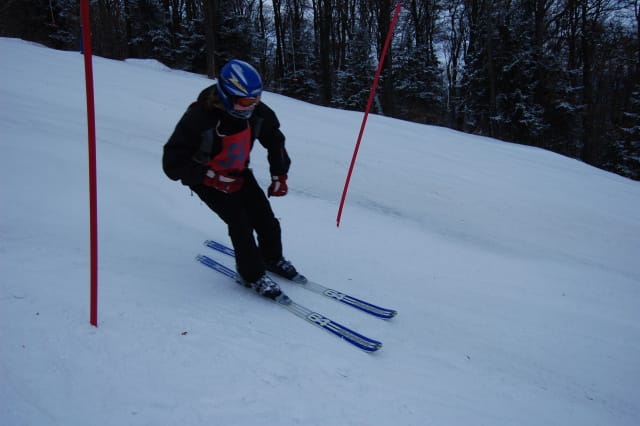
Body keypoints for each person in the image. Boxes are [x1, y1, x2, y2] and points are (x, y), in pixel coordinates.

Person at [162, 59, 304, 299]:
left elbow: (274, 140)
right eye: (246, 101)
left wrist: (279, 174)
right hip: (205, 178)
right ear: (227, 96)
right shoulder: (199, 118)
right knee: (240, 223)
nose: (252, 106)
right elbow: (172, 163)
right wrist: (208, 177)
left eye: (256, 99)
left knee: (266, 218)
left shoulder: (257, 113)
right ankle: (252, 275)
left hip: (238, 172)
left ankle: (271, 258)